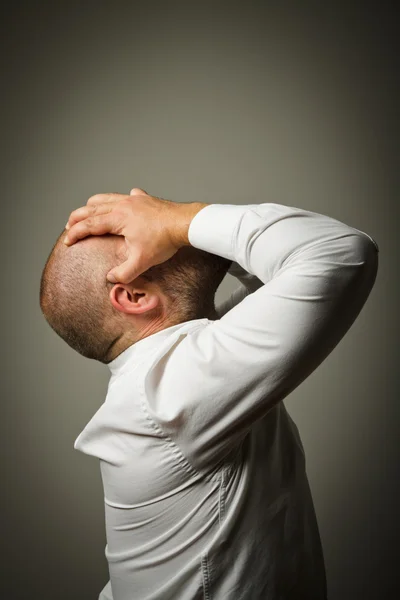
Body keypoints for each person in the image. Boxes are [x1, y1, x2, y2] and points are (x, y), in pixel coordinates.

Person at [40, 188, 379, 600]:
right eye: (134, 237)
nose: (154, 227)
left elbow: (276, 273)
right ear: (133, 296)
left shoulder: (183, 362)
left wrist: (180, 227)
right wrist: (180, 220)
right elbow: (339, 253)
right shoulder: (170, 390)